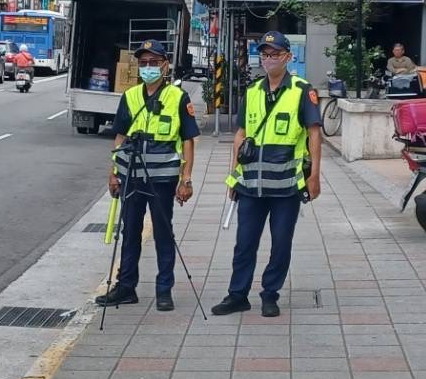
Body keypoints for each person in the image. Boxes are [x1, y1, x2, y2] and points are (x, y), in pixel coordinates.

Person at [214, 31, 323, 319]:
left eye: (275, 54)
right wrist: (233, 175)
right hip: (251, 184)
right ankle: (237, 295)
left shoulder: (302, 90)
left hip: (286, 185)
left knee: (281, 242)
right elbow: (240, 135)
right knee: (244, 242)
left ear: (288, 57)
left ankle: (270, 294)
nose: (269, 59)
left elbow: (314, 133)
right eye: (265, 54)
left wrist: (314, 177)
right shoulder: (252, 92)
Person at [98, 39, 199, 312]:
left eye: (154, 63)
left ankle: (164, 290)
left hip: (163, 179)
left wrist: (186, 179)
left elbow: (189, 139)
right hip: (132, 175)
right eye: (143, 63)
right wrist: (113, 172)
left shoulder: (178, 97)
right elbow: (119, 136)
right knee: (130, 232)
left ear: (165, 65)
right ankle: (126, 287)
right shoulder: (130, 97)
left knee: (164, 234)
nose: (148, 67)